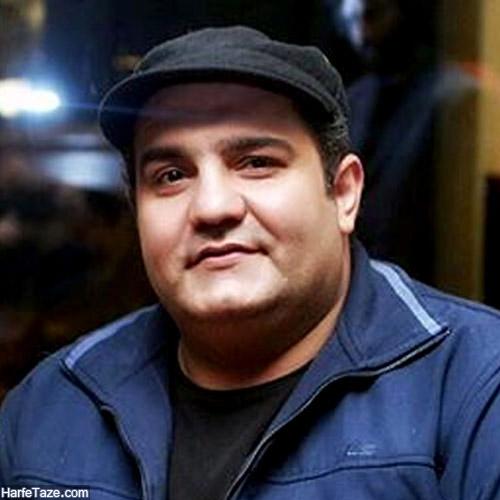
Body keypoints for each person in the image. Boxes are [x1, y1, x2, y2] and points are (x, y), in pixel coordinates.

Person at [1, 26, 500, 500]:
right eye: (171, 175)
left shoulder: (475, 385)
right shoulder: (51, 407)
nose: (212, 207)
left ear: (344, 194)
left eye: (257, 162)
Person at [337, 0, 477, 283]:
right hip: (364, 273)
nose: (364, 35)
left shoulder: (456, 94)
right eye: (360, 19)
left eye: (374, 16)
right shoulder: (358, 97)